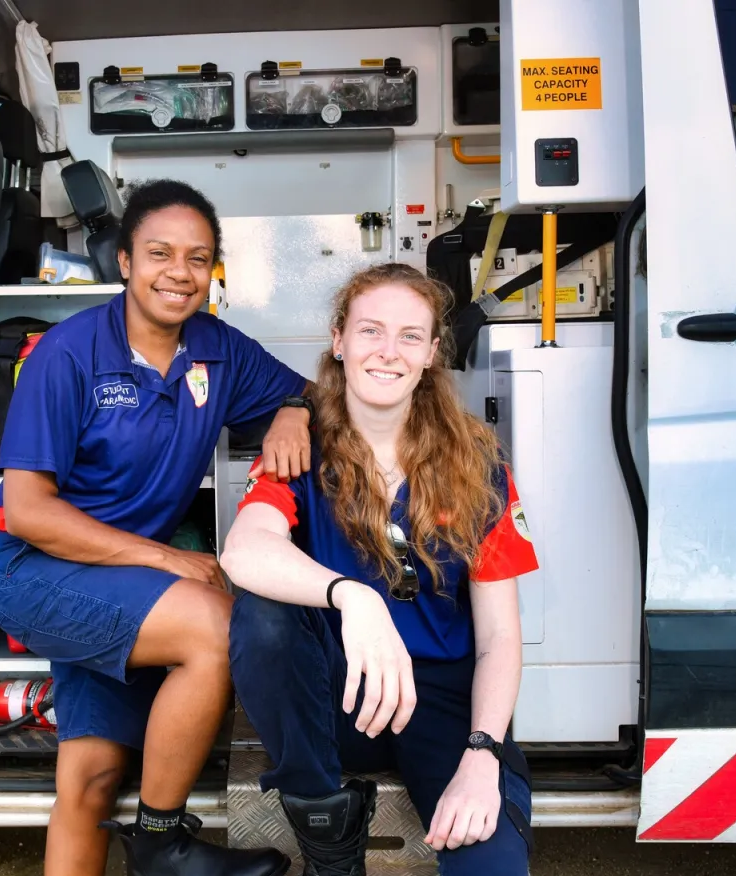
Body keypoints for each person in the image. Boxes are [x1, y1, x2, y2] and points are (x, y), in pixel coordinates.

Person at [0, 179, 315, 876]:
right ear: (124, 261)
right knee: (216, 627)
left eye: (197, 258)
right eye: (160, 253)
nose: (179, 273)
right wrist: (163, 559)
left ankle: (150, 843)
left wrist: (296, 410)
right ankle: (161, 843)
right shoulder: (66, 355)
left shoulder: (217, 350)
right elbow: (31, 511)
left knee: (92, 779)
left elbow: (311, 388)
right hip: (30, 567)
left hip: (117, 581)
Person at [221, 263, 538, 876]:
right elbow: (244, 549)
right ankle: (326, 834)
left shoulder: (477, 463)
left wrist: (482, 755)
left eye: (410, 336)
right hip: (336, 699)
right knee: (261, 611)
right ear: (339, 342)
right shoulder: (300, 448)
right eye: (370, 331)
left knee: (493, 864)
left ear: (431, 354)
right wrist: (352, 598)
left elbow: (500, 637)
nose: (388, 352)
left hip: (440, 703)